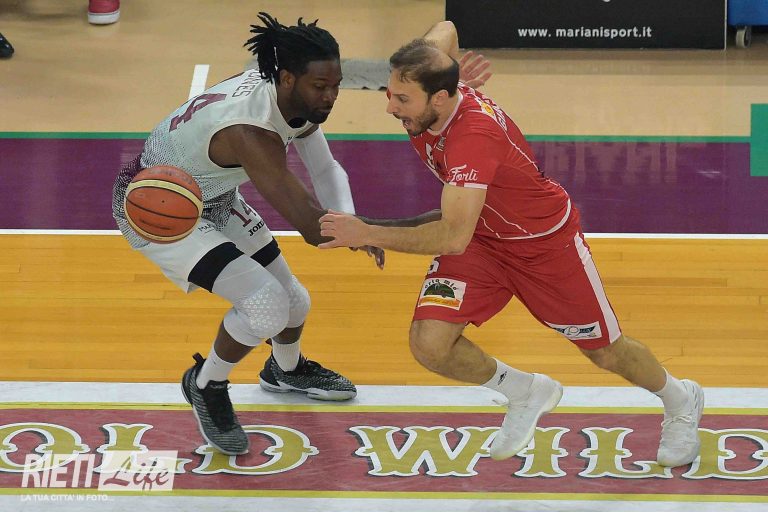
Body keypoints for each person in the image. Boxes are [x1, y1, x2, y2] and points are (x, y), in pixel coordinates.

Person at [318, 21, 704, 467]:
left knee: (605, 351)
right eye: (390, 93)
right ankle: (525, 392)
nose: (390, 107)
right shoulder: (434, 92)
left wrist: (366, 230)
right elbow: (446, 28)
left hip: (543, 246)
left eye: (402, 99)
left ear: (439, 99)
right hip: (483, 241)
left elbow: (451, 236)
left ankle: (680, 399)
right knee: (431, 345)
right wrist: (451, 71)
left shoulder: (472, 139)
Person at [112, 12, 385, 456]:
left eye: (336, 85)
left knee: (295, 302)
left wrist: (353, 219)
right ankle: (206, 384)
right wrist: (391, 231)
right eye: (321, 86)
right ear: (289, 78)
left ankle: (285, 371)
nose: (331, 96)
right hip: (157, 207)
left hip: (210, 194)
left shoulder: (289, 96)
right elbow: (312, 228)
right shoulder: (251, 131)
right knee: (265, 306)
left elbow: (324, 169)